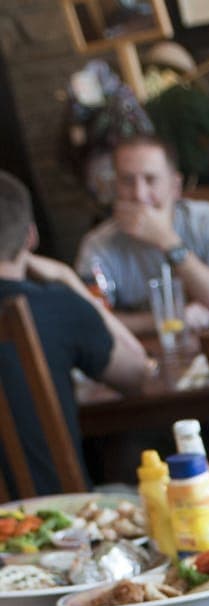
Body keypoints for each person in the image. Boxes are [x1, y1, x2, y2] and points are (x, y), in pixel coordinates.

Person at [0, 171, 149, 496]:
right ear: (30, 237)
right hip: (57, 515)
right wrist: (69, 280)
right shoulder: (56, 304)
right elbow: (137, 373)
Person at [75, 136, 209, 334]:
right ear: (115, 187)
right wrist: (171, 320)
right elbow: (91, 322)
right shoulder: (97, 245)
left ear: (175, 186)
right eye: (127, 181)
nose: (139, 194)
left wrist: (168, 242)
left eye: (151, 179)